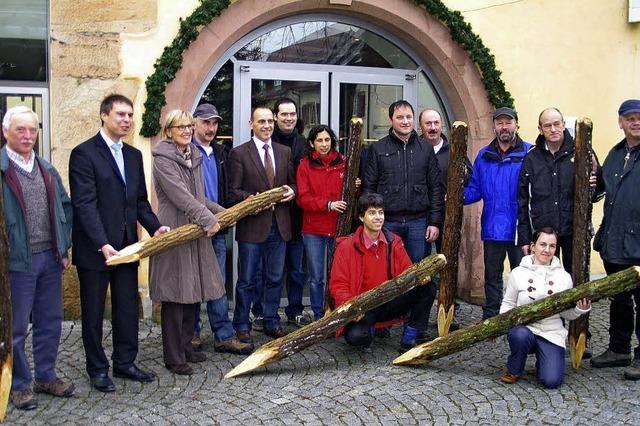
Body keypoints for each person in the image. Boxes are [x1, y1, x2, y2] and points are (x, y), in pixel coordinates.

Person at [69, 94, 170, 392]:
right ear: (104, 115)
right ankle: (97, 369)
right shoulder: (84, 153)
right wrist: (102, 243)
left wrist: (155, 228)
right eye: (120, 115)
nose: (126, 120)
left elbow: (139, 202)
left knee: (127, 308)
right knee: (94, 312)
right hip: (95, 250)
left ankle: (125, 363)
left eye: (129, 115)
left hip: (127, 247)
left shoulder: (134, 155)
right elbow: (85, 204)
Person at [1, 106, 74, 410]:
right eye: (21, 130)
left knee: (50, 322)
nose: (28, 136)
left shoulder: (46, 168)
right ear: (6, 132)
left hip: (49, 258)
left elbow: (66, 209)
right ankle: (19, 385)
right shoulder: (3, 169)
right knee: (15, 328)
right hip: (17, 262)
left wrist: (65, 247)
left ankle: (45, 376)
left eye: (32, 130)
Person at [363, 100, 444, 333]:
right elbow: (369, 189)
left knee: (418, 274)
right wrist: (372, 223)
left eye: (409, 117)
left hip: (419, 221)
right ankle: (381, 322)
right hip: (388, 222)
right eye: (400, 117)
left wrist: (434, 222)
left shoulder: (425, 149)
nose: (405, 121)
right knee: (383, 274)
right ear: (391, 120)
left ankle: (414, 324)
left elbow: (435, 188)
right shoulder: (378, 149)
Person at [329, 193, 432, 351]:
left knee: (428, 287)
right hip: (364, 307)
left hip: (389, 300)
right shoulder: (346, 247)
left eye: (381, 212)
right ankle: (371, 330)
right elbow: (338, 285)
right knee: (355, 337)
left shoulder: (393, 240)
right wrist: (351, 308)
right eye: (372, 213)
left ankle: (410, 335)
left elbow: (407, 270)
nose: (378, 217)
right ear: (362, 217)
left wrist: (419, 277)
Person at [228, 106, 296, 342]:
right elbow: (232, 192)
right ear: (251, 124)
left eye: (269, 121)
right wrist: (250, 200)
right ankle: (241, 324)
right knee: (247, 279)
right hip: (253, 226)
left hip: (280, 224)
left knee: (275, 277)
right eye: (261, 121)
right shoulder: (239, 153)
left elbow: (293, 184)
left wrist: (291, 192)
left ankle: (271, 320)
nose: (266, 126)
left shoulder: (284, 151)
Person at [189, 103, 252, 355]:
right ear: (194, 123)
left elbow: (226, 189)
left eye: (214, 123)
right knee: (192, 282)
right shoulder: (185, 151)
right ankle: (191, 332)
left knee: (217, 282)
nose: (211, 128)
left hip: (217, 226)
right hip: (192, 227)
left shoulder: (221, 153)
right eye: (205, 122)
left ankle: (223, 335)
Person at [499, 228, 591, 389]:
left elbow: (566, 314)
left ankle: (544, 361)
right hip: (525, 329)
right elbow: (508, 303)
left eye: (552, 246)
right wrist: (503, 324)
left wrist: (580, 310)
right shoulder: (517, 273)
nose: (547, 250)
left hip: (551, 332)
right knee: (519, 335)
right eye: (542, 245)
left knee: (551, 381)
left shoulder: (564, 277)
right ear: (533, 246)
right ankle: (514, 367)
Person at [464, 107, 532, 319]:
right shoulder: (484, 155)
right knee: (491, 276)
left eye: (508, 122)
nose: (504, 127)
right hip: (493, 226)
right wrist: (457, 196)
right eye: (500, 123)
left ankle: (521, 316)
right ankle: (492, 315)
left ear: (517, 125)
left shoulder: (529, 153)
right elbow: (475, 188)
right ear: (494, 127)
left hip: (520, 228)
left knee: (521, 276)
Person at [517, 107, 601, 274]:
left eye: (556, 124)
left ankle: (579, 301)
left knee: (576, 280)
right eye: (547, 126)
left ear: (563, 125)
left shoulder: (582, 151)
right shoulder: (531, 158)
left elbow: (598, 191)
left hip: (574, 231)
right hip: (543, 233)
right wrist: (525, 238)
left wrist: (596, 181)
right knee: (545, 282)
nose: (553, 129)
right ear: (540, 129)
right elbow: (522, 201)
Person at [591, 99, 640, 380]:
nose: (635, 122)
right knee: (618, 299)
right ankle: (619, 348)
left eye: (639, 118)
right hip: (614, 241)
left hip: (638, 242)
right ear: (621, 122)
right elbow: (603, 188)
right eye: (629, 118)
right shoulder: (616, 153)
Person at [296, 124, 356, 320]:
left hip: (338, 228)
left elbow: (353, 195)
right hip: (313, 229)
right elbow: (302, 198)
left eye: (327, 140)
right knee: (316, 278)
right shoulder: (305, 165)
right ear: (312, 143)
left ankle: (335, 312)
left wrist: (357, 186)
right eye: (319, 140)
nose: (324, 144)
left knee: (337, 276)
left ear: (333, 142)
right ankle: (318, 315)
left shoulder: (344, 163)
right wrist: (327, 204)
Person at [271, 97, 309, 327]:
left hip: (297, 217)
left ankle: (295, 309)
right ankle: (266, 312)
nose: (288, 118)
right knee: (271, 271)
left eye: (292, 114)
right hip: (273, 216)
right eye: (284, 114)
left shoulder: (304, 143)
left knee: (296, 269)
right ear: (276, 116)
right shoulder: (267, 139)